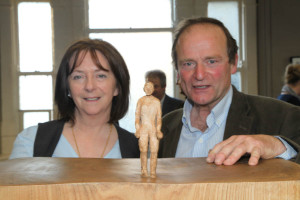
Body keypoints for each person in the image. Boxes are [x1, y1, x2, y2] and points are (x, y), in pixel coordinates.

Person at [158, 17, 300, 165]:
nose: (199, 74)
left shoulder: (281, 117)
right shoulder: (162, 128)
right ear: (178, 71)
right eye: (188, 63)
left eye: (211, 61)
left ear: (233, 63)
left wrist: (278, 146)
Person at [10, 39, 139, 159]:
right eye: (78, 77)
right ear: (67, 88)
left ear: (117, 87)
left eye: (100, 75)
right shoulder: (31, 142)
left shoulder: (138, 150)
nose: (89, 86)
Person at [135, 82, 163, 178]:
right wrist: (137, 129)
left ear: (153, 89)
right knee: (143, 150)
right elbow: (137, 117)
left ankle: (153, 172)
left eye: (150, 87)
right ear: (144, 88)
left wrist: (158, 130)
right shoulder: (140, 101)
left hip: (153, 129)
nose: (148, 89)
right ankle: (144, 170)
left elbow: (159, 118)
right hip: (143, 128)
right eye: (147, 87)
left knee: (154, 150)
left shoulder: (156, 102)